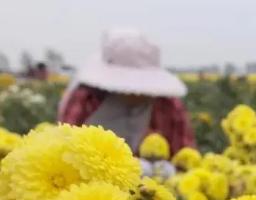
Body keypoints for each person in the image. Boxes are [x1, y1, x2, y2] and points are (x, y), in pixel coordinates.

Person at [58, 29, 195, 154]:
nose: (135, 93)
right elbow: (63, 148)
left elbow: (185, 157)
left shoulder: (169, 105)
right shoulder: (86, 98)